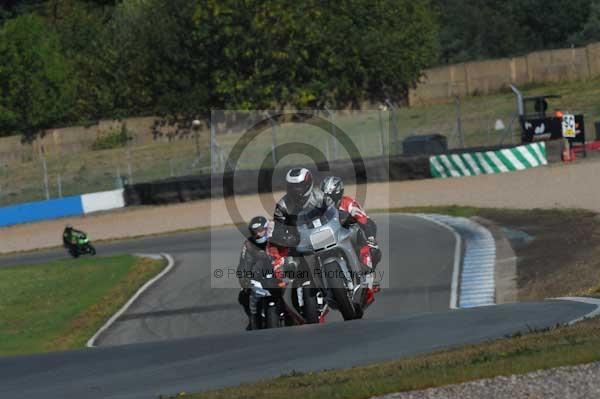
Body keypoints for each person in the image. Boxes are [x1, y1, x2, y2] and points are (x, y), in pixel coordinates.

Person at [320, 176, 381, 270]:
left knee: (372, 250)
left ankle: (367, 272)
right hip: (330, 238)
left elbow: (364, 220)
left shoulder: (348, 203)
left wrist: (371, 238)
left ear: (339, 194)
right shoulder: (319, 208)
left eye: (332, 196)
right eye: (325, 195)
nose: (328, 199)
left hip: (350, 235)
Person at [236, 215, 273, 330]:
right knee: (243, 295)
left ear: (267, 229)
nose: (258, 235)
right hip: (259, 279)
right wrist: (244, 278)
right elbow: (243, 264)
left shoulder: (276, 239)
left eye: (261, 231)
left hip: (280, 275)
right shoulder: (249, 245)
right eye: (255, 232)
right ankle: (255, 319)